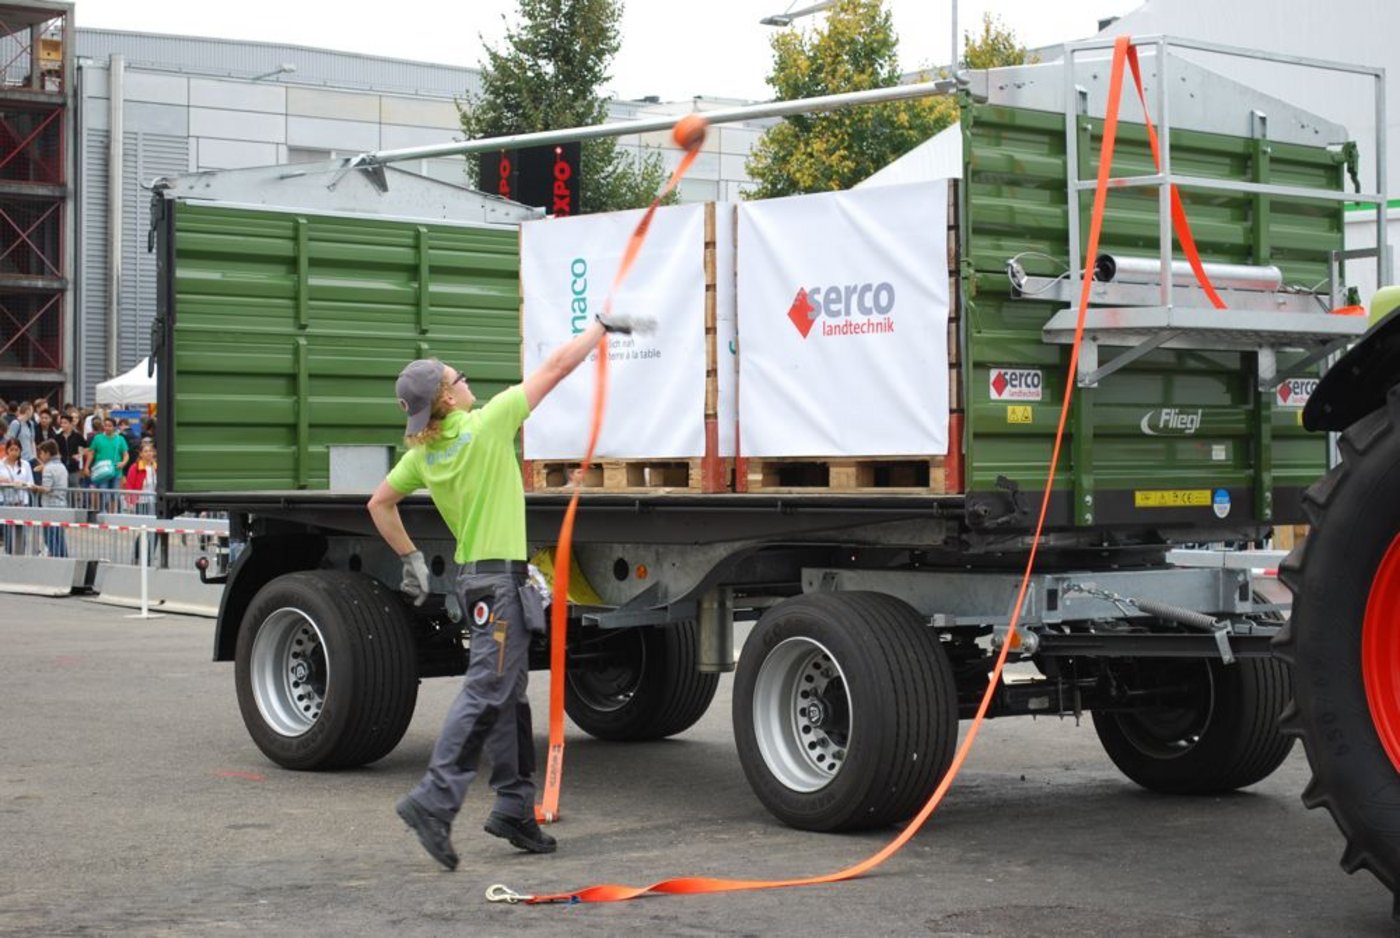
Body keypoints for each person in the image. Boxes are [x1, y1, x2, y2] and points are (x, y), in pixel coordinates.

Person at [368, 312, 636, 870]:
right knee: (487, 690)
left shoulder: (425, 454)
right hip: (496, 583)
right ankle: (433, 801)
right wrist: (601, 329)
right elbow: (559, 365)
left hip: (477, 582)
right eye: (458, 376)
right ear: (448, 394)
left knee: (507, 691)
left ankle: (514, 806)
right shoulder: (487, 425)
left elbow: (379, 504)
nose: (468, 382)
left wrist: (411, 558)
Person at [32, 440, 68, 558]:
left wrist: (35, 487)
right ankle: (64, 557)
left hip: (50, 505)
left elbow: (47, 488)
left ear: (47, 453)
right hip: (62, 504)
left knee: (49, 537)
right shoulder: (62, 466)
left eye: (41, 453)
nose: (40, 456)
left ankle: (57, 559)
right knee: (59, 535)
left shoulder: (48, 468)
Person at [85, 416, 129, 512]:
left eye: (110, 426)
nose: (107, 428)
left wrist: (123, 463)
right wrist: (86, 467)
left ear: (114, 427)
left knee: (115, 495)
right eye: (105, 425)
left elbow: (126, 454)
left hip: (116, 471)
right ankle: (103, 513)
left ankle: (113, 515)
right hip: (102, 471)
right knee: (103, 493)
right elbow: (91, 453)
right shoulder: (97, 438)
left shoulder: (120, 439)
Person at [1, 437, 34, 555]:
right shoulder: (1, 464)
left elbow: (31, 482)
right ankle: (9, 553)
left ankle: (20, 554)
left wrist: (22, 485)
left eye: (16, 449)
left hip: (21, 501)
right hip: (6, 502)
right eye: (11, 449)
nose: (14, 452)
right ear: (7, 450)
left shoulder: (25, 465)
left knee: (21, 530)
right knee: (8, 531)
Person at [124, 439, 157, 515]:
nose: (149, 453)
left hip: (154, 501)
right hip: (140, 501)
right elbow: (129, 485)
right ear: (141, 454)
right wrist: (130, 502)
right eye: (146, 451)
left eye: (150, 451)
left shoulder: (156, 467)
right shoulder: (135, 467)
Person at [4, 401, 36, 468]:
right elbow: (9, 441)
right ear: (28, 411)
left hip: (30, 459)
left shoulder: (30, 424)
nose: (32, 413)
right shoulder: (16, 423)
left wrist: (34, 456)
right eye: (32, 411)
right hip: (19, 459)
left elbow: (32, 441)